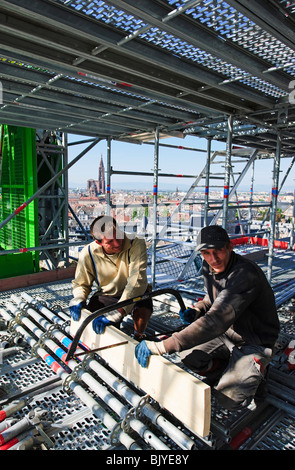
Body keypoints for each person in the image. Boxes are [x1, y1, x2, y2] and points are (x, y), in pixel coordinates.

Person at [135, 225, 280, 410]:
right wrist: (197, 310)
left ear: (230, 247)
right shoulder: (209, 266)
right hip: (227, 334)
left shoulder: (245, 274)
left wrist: (160, 346)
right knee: (188, 356)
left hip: (254, 341)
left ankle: (258, 375)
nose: (213, 258)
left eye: (218, 250)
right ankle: (231, 369)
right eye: (206, 253)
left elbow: (216, 320)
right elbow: (212, 298)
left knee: (228, 400)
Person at [70, 215, 152, 340]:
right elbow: (81, 283)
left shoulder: (136, 242)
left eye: (117, 236)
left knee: (144, 306)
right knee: (93, 319)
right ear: (98, 242)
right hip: (108, 294)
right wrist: (79, 298)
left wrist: (119, 311)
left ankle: (139, 335)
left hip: (135, 293)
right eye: (109, 242)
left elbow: (137, 280)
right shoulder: (88, 253)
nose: (117, 243)